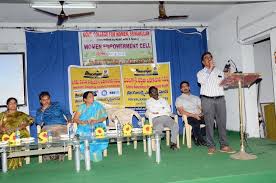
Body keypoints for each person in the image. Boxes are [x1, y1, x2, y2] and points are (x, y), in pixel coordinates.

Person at [197, 52, 235, 155]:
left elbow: (225, 86)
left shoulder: (220, 72)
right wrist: (210, 69)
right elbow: (202, 81)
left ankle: (224, 145)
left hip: (220, 99)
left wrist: (228, 77)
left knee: (222, 123)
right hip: (207, 99)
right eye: (206, 58)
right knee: (209, 124)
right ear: (203, 62)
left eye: (210, 57)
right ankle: (211, 146)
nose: (208, 59)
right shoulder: (200, 73)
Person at [73, 91, 108, 162]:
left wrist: (96, 121)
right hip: (84, 125)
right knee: (83, 133)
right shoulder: (82, 107)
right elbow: (75, 119)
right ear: (85, 99)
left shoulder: (97, 105)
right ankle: (84, 152)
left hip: (96, 124)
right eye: (90, 97)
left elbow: (104, 117)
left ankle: (95, 152)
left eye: (93, 96)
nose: (92, 98)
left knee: (98, 132)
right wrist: (83, 122)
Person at [0, 97, 33, 169]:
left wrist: (23, 125)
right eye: (10, 103)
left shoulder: (21, 114)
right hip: (4, 133)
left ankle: (12, 164)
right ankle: (2, 162)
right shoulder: (2, 114)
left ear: (16, 105)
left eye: (14, 103)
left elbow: (31, 119)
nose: (12, 105)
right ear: (7, 105)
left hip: (18, 133)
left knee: (16, 139)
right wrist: (1, 129)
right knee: (4, 140)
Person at [145, 86, 179, 150]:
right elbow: (152, 110)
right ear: (150, 94)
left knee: (175, 125)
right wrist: (162, 108)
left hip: (166, 117)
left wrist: (158, 110)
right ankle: (157, 143)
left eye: (155, 91)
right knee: (159, 127)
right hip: (156, 118)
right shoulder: (148, 101)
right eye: (152, 91)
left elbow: (168, 109)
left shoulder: (163, 100)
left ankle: (173, 143)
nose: (154, 92)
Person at [175, 81, 206, 146]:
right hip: (188, 117)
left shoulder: (196, 97)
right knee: (195, 122)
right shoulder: (179, 99)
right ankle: (200, 139)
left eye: (186, 86)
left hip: (199, 115)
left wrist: (202, 113)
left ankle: (195, 135)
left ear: (189, 87)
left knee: (210, 120)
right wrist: (194, 115)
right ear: (181, 89)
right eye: (183, 87)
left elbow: (201, 108)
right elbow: (181, 111)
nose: (185, 88)